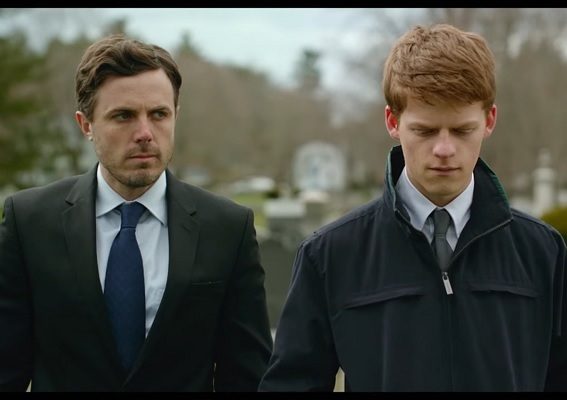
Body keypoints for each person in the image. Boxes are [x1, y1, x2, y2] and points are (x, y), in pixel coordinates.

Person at [258, 23, 567, 392]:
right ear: (393, 121)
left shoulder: (543, 251)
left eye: (462, 130)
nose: (444, 149)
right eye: (425, 131)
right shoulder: (330, 255)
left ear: (489, 121)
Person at [0, 34, 272, 392]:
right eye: (123, 116)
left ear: (175, 116)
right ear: (86, 125)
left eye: (159, 114)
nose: (145, 133)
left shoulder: (228, 228)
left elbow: (248, 376)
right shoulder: (29, 222)